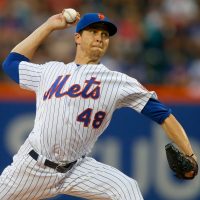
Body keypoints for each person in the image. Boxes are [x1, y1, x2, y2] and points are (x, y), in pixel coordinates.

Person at [1, 10, 198, 200]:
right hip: (31, 167)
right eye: (93, 32)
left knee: (126, 188)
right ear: (77, 37)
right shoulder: (50, 71)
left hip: (76, 170)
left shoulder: (117, 81)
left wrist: (190, 155)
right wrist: (49, 25)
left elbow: (163, 115)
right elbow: (11, 63)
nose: (99, 38)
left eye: (105, 34)